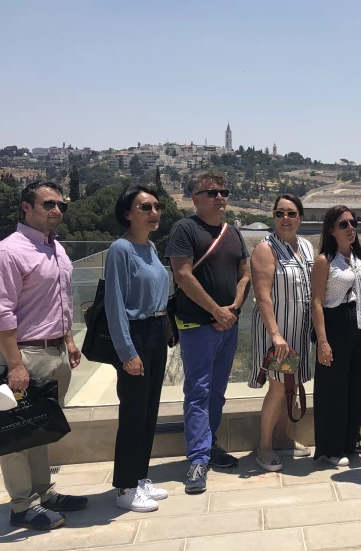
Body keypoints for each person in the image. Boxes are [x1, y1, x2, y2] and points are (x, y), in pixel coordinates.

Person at [0, 181, 87, 530]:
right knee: (17, 434)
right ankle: (21, 506)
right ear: (26, 207)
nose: (57, 210)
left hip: (55, 350)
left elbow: (61, 301)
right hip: (26, 354)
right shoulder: (7, 253)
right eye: (48, 204)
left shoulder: (55, 249)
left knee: (40, 429)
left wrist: (69, 340)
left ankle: (45, 493)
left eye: (61, 205)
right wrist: (14, 365)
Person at [165, 170, 251, 494]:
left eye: (223, 192)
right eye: (212, 192)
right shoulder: (185, 229)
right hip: (198, 326)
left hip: (228, 325)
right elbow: (183, 275)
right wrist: (217, 311)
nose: (220, 197)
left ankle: (210, 445)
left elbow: (245, 275)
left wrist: (234, 311)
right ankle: (198, 459)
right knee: (198, 392)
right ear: (195, 198)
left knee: (216, 392)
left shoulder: (233, 233)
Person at [105, 186, 172, 512]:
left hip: (157, 332)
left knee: (149, 411)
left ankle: (140, 476)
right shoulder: (121, 249)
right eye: (145, 207)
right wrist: (127, 352)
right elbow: (115, 304)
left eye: (156, 206)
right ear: (128, 213)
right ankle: (124, 487)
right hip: (136, 334)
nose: (153, 212)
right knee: (133, 413)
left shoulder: (151, 248)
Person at [247, 194, 315, 472]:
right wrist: (275, 335)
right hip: (279, 331)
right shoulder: (265, 249)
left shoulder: (308, 247)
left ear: (300, 217)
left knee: (292, 384)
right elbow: (263, 296)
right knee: (278, 386)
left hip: (300, 330)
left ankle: (283, 439)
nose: (285, 219)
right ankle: (264, 447)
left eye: (291, 213)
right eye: (279, 213)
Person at [310, 205, 361, 467]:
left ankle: (352, 438)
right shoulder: (324, 261)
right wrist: (323, 341)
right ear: (331, 230)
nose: (351, 228)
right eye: (344, 224)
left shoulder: (358, 258)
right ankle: (330, 448)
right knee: (333, 389)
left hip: (360, 324)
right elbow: (316, 302)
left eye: (353, 223)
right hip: (335, 324)